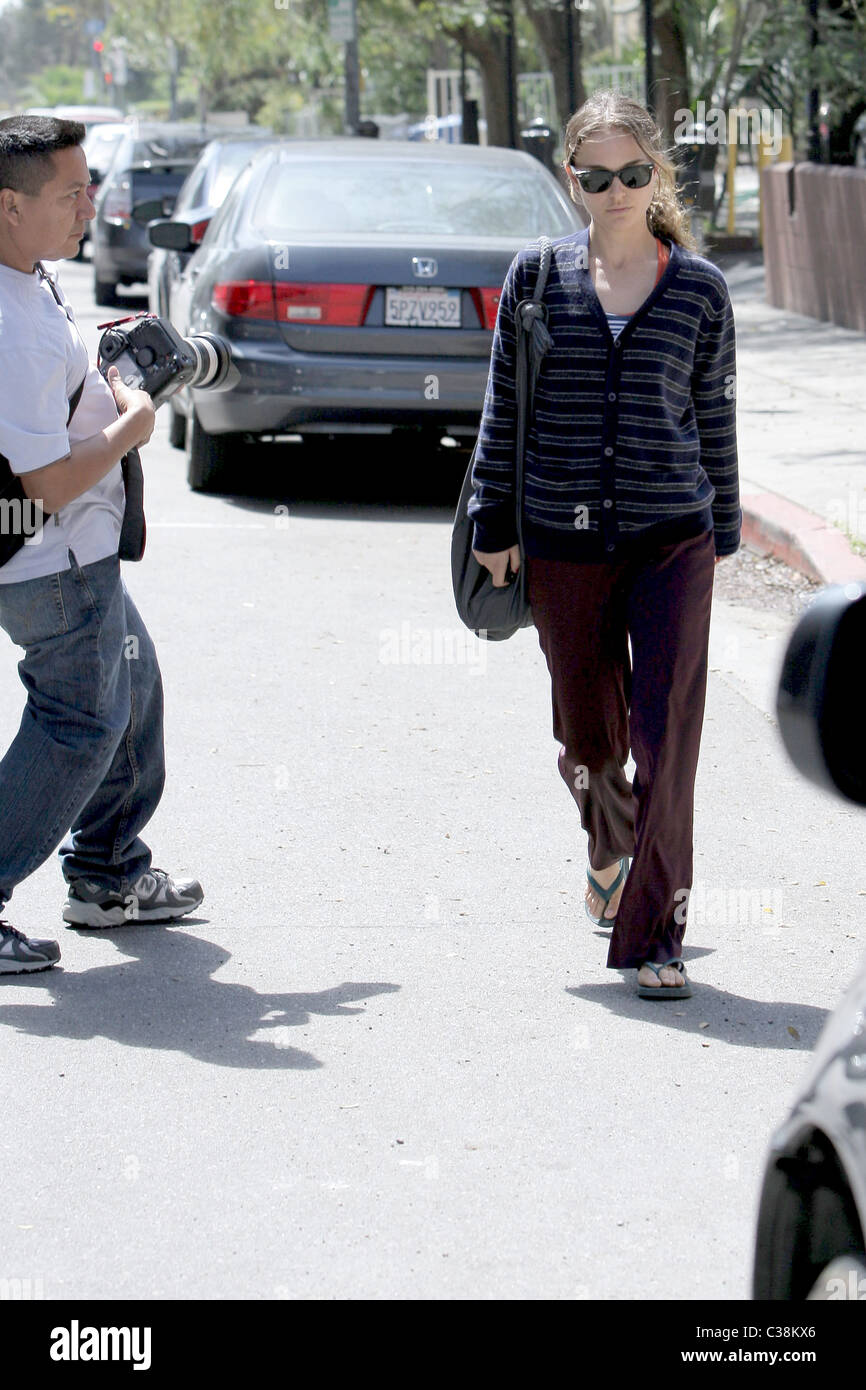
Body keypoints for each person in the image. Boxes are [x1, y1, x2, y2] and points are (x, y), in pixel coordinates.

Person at [468, 91, 740, 999]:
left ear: (655, 174)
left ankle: (656, 931)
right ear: (571, 179)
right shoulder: (536, 276)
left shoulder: (699, 289)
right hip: (561, 540)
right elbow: (504, 408)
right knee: (590, 741)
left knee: (669, 739)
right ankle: (609, 846)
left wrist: (725, 535)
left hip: (673, 540)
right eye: (596, 175)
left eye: (633, 173)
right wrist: (495, 528)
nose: (616, 189)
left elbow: (715, 418)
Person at [0, 114, 202, 975]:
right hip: (51, 562)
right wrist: (134, 423)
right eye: (71, 191)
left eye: (90, 184)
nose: (92, 202)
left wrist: (108, 371)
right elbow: (41, 482)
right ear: (10, 206)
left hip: (74, 559)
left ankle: (109, 874)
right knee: (83, 722)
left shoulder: (28, 280)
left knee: (134, 688)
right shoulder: (12, 324)